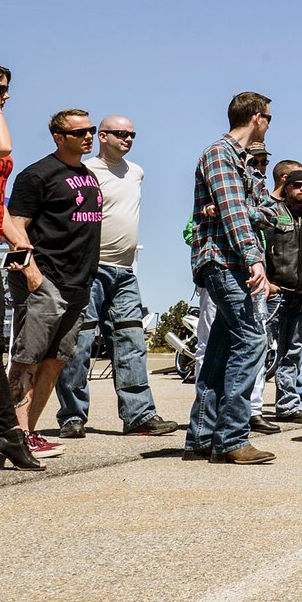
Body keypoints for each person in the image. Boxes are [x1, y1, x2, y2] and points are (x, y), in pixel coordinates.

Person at [55, 115, 176, 439]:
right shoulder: (85, 172)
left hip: (125, 272)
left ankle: (139, 415)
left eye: (132, 134)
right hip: (90, 270)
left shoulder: (136, 172)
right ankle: (72, 416)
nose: (128, 139)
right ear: (103, 137)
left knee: (132, 342)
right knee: (79, 344)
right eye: (121, 134)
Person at [2, 110, 104, 459]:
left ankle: (29, 432)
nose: (89, 136)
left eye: (91, 130)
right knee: (27, 359)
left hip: (78, 283)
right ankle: (13, 435)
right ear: (59, 138)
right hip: (46, 279)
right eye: (80, 132)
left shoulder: (87, 176)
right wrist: (31, 274)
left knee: (56, 360)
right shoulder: (37, 175)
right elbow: (15, 226)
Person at [184, 92, 277, 465]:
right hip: (224, 261)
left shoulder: (245, 163)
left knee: (222, 349)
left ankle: (202, 438)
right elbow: (235, 213)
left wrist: (242, 209)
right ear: (257, 117)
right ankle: (232, 438)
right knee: (253, 339)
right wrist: (254, 259)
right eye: (269, 117)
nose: (270, 123)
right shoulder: (219, 154)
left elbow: (271, 213)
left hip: (232, 261)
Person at [257, 163, 302, 426]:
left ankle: (287, 406)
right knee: (261, 350)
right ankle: (252, 408)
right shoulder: (272, 213)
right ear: (285, 188)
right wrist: (265, 281)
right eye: (296, 185)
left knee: (293, 353)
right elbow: (258, 247)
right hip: (275, 294)